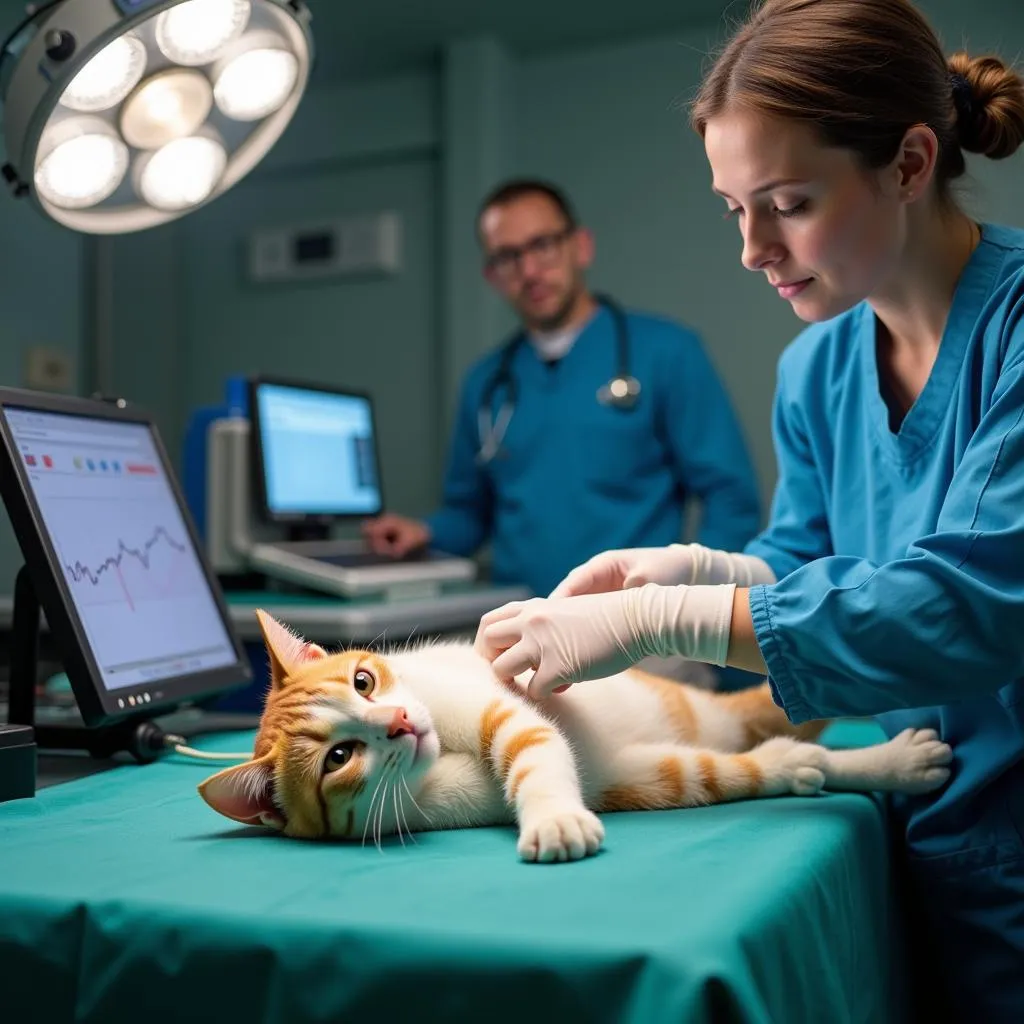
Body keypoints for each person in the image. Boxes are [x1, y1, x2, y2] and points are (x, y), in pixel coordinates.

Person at [473, 1, 1024, 1018]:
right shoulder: (815, 368)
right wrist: (691, 571)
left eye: (785, 202)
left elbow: (975, 603)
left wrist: (654, 622)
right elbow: (804, 560)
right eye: (733, 208)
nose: (753, 248)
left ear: (907, 163)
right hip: (906, 832)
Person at [362, 179, 761, 600]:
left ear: (581, 246)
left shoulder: (667, 354)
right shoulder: (485, 384)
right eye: (507, 257)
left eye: (543, 245)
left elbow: (730, 498)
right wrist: (424, 533)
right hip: (520, 622)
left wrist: (697, 609)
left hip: (639, 625)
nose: (530, 270)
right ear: (492, 275)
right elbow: (469, 514)